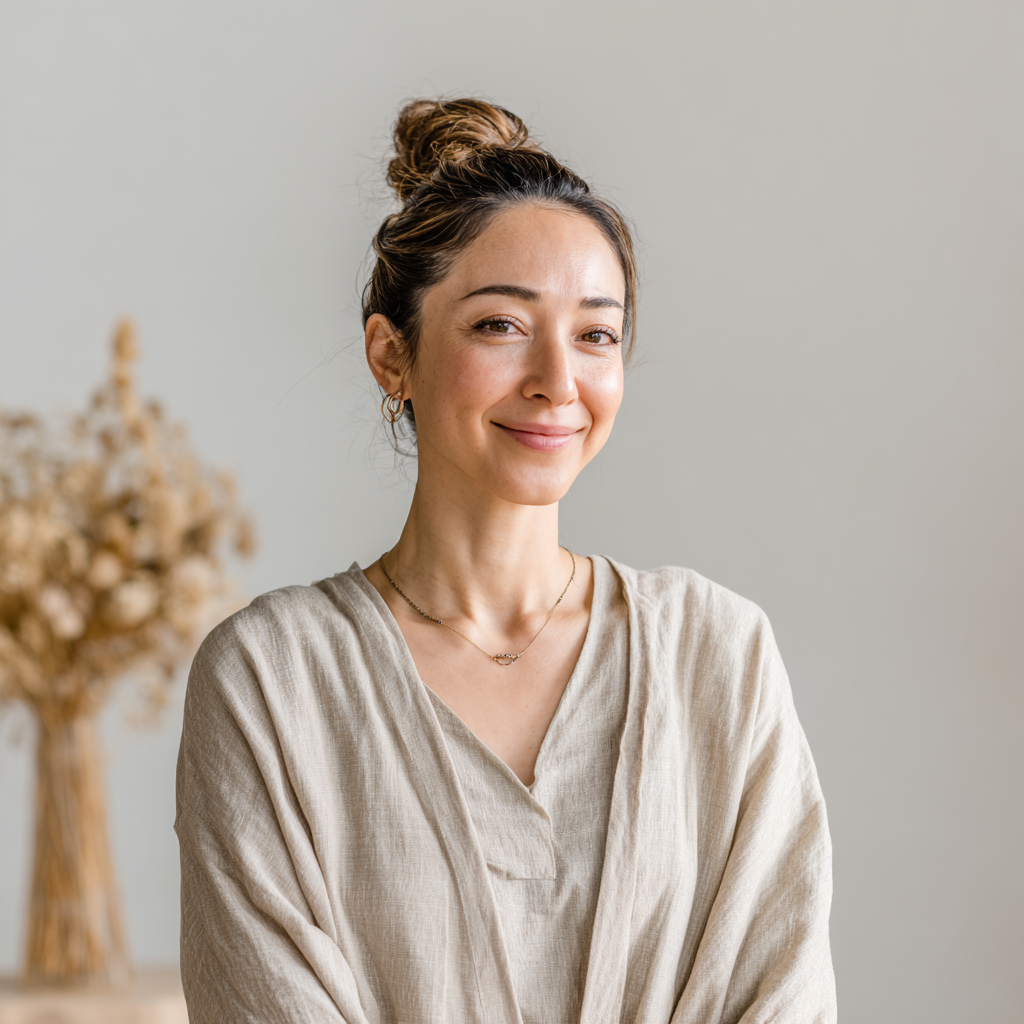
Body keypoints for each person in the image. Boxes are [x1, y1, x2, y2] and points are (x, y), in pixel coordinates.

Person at [175, 98, 836, 1024]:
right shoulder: (271, 681)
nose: (558, 382)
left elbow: (783, 993)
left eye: (596, 334)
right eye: (500, 325)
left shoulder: (716, 653)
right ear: (391, 355)